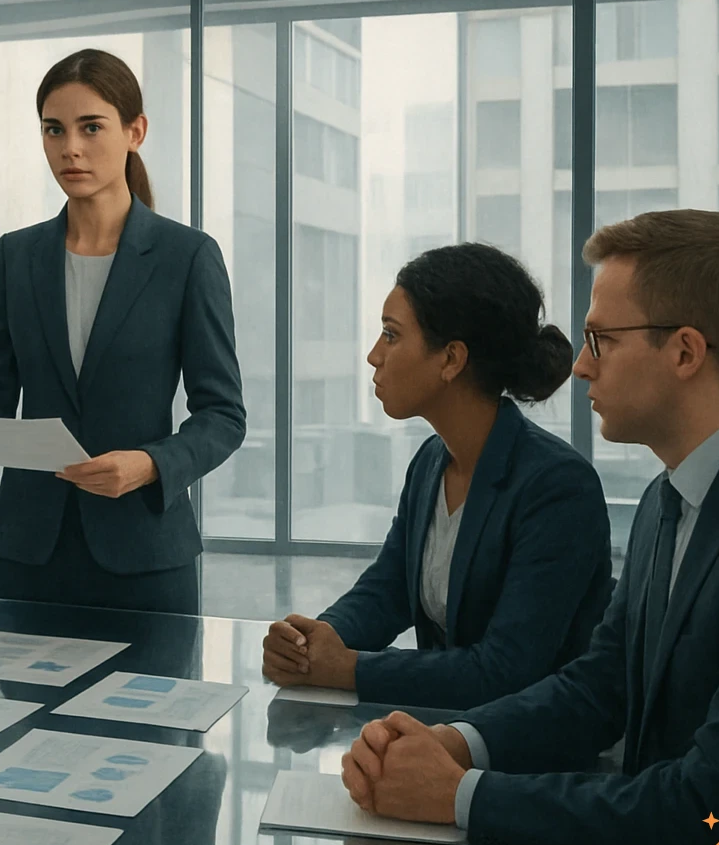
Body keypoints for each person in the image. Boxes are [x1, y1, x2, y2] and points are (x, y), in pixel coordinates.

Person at [337, 210, 719, 845]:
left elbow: (716, 811)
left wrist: (459, 795)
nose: (578, 364)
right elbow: (599, 688)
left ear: (686, 352)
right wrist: (453, 743)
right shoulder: (671, 495)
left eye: (602, 339)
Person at [0, 48, 246, 615]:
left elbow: (223, 415)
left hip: (145, 552)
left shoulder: (187, 257)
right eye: (54, 130)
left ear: (135, 131)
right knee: (25, 706)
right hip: (30, 554)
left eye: (91, 127)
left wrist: (149, 465)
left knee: (146, 706)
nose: (70, 148)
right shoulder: (16, 256)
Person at [261, 244, 612, 709]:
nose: (373, 355)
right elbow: (387, 590)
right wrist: (313, 640)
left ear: (451, 359)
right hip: (440, 736)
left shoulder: (558, 487)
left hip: (526, 759)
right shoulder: (431, 460)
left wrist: (349, 668)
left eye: (390, 335)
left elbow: (506, 670)